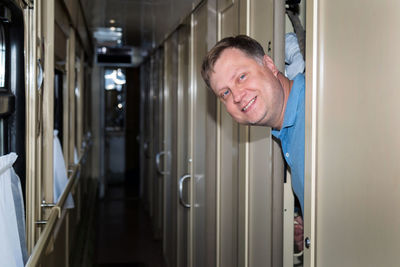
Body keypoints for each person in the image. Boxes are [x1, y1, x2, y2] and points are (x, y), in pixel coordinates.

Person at [201, 35, 305, 251]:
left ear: (269, 65)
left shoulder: (315, 112)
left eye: (241, 77)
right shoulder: (287, 132)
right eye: (225, 93)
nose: (237, 96)